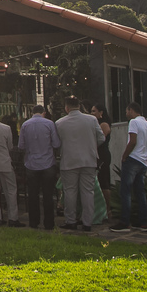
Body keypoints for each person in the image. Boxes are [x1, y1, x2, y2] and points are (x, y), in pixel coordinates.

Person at [56, 96, 105, 231]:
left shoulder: (60, 123)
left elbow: (57, 142)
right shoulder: (91, 119)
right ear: (79, 106)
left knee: (70, 191)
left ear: (67, 108)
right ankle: (87, 222)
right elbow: (101, 138)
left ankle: (70, 220)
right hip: (88, 159)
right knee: (88, 191)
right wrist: (91, 146)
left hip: (69, 160)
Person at [113, 101, 147, 232]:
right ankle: (143, 222)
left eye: (127, 111)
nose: (126, 113)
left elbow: (133, 141)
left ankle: (124, 222)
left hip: (133, 159)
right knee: (140, 192)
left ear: (132, 111)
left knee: (125, 191)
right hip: (143, 162)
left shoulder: (133, 122)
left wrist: (124, 155)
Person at [18, 105, 61, 231]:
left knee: (33, 194)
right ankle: (49, 223)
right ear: (44, 112)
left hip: (31, 163)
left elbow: (21, 146)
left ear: (32, 113)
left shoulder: (25, 125)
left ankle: (34, 222)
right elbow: (56, 143)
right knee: (48, 195)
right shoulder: (49, 124)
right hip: (47, 163)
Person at [90, 103, 113, 191]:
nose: (92, 113)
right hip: (97, 154)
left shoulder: (104, 124)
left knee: (104, 181)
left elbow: (100, 139)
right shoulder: (96, 124)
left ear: (101, 112)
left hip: (103, 155)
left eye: (94, 111)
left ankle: (106, 203)